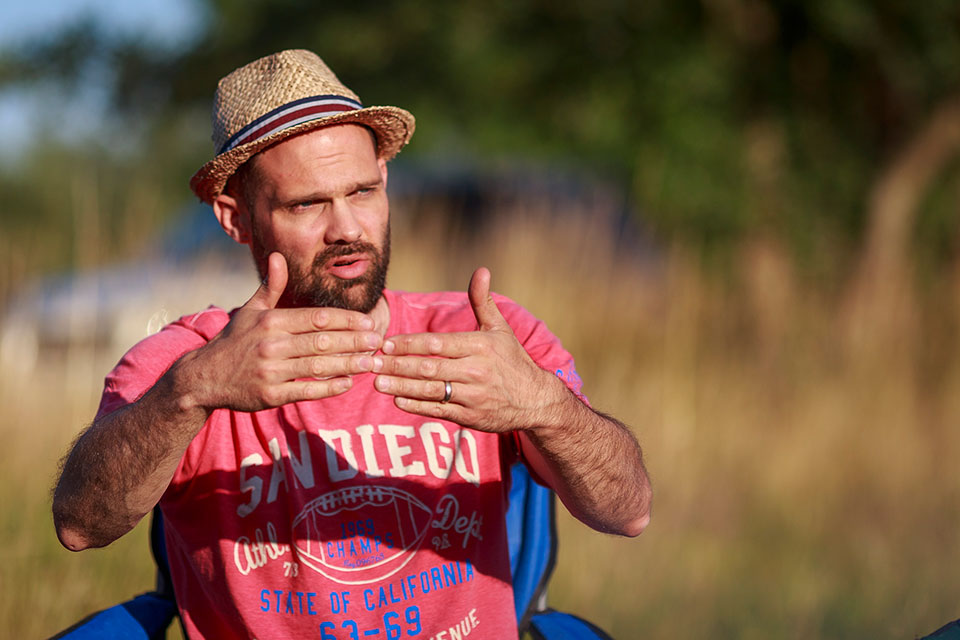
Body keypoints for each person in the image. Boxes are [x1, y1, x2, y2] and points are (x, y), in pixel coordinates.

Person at [52, 49, 651, 640]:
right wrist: (192, 393)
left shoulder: (485, 336)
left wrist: (544, 407)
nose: (346, 229)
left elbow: (628, 512)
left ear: (385, 179)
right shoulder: (189, 360)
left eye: (361, 192)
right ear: (235, 218)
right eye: (307, 203)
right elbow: (81, 525)